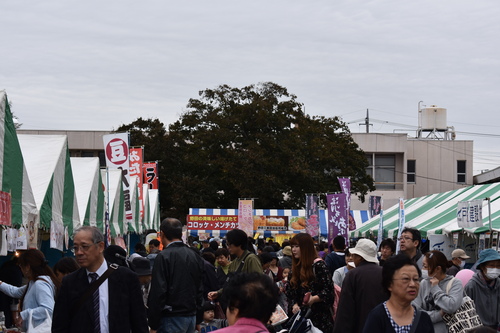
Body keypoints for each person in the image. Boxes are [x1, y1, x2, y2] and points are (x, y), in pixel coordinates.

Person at [52, 226, 148, 333]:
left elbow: (139, 323)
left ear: (100, 246)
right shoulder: (69, 282)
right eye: (75, 248)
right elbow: (59, 325)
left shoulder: (126, 278)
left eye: (84, 246)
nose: (79, 252)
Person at [148, 218, 205, 333]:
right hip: (191, 316)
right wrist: (198, 318)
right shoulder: (194, 256)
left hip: (171, 317)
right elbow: (200, 289)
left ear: (162, 234)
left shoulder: (163, 256)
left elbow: (159, 291)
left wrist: (153, 324)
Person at [363, 254, 434, 332]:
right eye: (405, 279)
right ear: (389, 284)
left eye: (416, 279)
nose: (413, 284)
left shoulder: (423, 319)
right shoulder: (377, 317)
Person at [333, 238, 388, 333]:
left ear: (360, 257)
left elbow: (345, 311)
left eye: (354, 255)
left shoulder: (352, 275)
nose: (352, 258)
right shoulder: (386, 273)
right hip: (382, 326)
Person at [286, 233, 334, 333]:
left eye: (297, 246)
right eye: (292, 246)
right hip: (299, 322)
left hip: (320, 321)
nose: (293, 250)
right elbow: (290, 294)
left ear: (305, 248)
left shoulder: (319, 266)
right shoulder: (294, 269)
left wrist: (314, 299)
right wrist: (294, 305)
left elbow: (329, 292)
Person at [0, 249, 59, 331]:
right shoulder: (33, 283)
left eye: (21, 266)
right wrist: (0, 284)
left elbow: (48, 309)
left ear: (27, 267)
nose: (20, 269)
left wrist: (25, 314)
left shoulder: (40, 284)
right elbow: (15, 291)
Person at [413, 250, 463, 333]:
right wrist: (439, 314)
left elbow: (451, 307)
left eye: (425, 266)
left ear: (438, 269)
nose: (423, 269)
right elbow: (415, 312)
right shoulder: (424, 283)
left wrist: (435, 288)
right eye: (423, 266)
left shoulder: (455, 283)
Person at [208, 229, 262, 302]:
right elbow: (231, 283)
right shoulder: (234, 262)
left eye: (230, 244)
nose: (228, 247)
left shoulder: (251, 259)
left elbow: (259, 283)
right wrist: (219, 293)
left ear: (239, 244)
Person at [464, 248, 500, 329]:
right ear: (482, 267)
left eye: (498, 266)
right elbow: (466, 311)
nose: (495, 268)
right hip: (478, 329)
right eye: (491, 265)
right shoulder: (471, 286)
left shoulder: (498, 284)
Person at [0, 256, 22, 328]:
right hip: (5, 306)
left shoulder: (6, 265)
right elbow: (14, 296)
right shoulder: (16, 271)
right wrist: (15, 318)